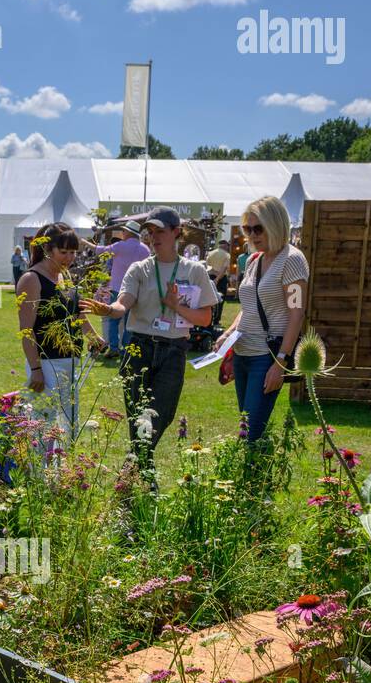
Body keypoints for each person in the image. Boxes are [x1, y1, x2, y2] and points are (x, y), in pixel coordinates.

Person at [81, 207, 217, 477]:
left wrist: (175, 306)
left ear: (177, 232)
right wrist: (109, 310)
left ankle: (133, 470)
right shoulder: (140, 268)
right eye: (150, 232)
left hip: (173, 350)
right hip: (138, 347)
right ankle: (141, 476)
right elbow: (124, 303)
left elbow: (205, 318)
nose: (154, 237)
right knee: (137, 417)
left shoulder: (194, 271)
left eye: (160, 231)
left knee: (160, 414)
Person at [214, 195, 309, 442]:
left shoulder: (292, 260)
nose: (252, 235)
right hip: (243, 354)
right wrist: (227, 334)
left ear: (275, 225)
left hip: (265, 357)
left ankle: (255, 477)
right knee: (247, 424)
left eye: (258, 228)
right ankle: (255, 474)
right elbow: (249, 306)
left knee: (251, 433)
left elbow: (297, 313)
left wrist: (279, 363)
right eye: (248, 228)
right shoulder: (255, 260)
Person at [17, 221, 107, 449]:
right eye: (63, 252)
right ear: (48, 250)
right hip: (47, 363)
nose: (69, 258)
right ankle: (38, 475)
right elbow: (26, 330)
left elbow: (76, 315)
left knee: (69, 425)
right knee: (43, 424)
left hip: (71, 362)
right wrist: (36, 369)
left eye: (73, 252)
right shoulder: (31, 280)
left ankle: (61, 475)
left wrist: (94, 338)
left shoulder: (64, 277)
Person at [87, 219, 150, 358]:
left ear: (127, 233)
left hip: (117, 288)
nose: (122, 233)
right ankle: (127, 349)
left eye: (124, 231)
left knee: (113, 319)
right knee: (130, 321)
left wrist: (85, 243)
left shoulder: (121, 246)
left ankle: (114, 348)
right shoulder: (146, 249)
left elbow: (101, 251)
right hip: (136, 290)